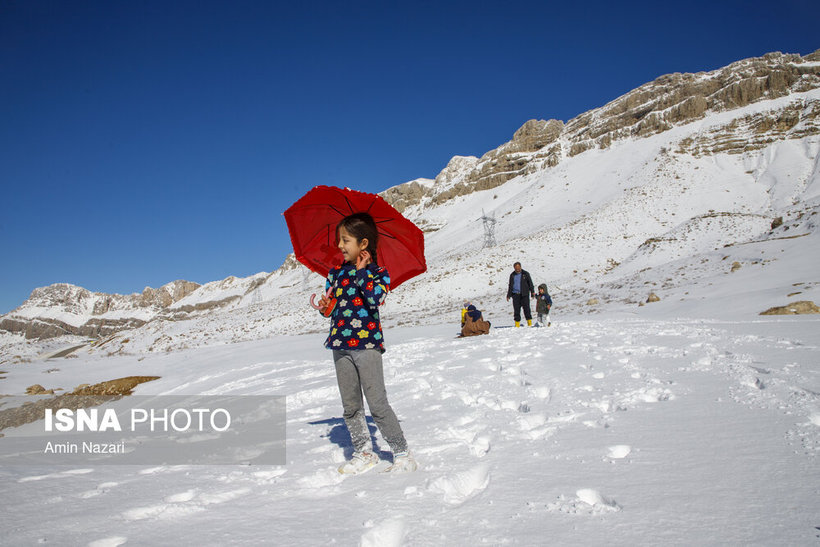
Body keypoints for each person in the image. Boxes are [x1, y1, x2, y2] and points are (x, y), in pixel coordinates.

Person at [316, 212, 416, 474]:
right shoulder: (335, 273)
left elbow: (374, 299)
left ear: (363, 244)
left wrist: (362, 274)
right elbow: (331, 306)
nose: (339, 245)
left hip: (367, 345)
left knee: (377, 403)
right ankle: (363, 452)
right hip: (340, 343)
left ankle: (402, 452)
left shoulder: (378, 273)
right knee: (350, 405)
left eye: (345, 240)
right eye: (339, 239)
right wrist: (325, 307)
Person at [506, 262, 535, 327]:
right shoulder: (512, 275)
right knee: (516, 310)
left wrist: (532, 292)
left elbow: (530, 283)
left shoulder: (525, 274)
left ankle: (529, 323)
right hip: (515, 294)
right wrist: (508, 295)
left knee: (527, 309)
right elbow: (510, 285)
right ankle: (517, 324)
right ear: (514, 268)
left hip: (524, 294)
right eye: (516, 268)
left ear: (520, 267)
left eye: (518, 268)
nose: (517, 269)